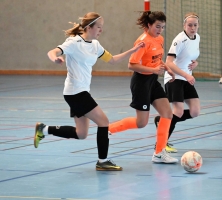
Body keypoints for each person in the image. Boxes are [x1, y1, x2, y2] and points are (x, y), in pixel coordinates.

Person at [34, 12, 145, 171]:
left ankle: (43, 129)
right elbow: (53, 52)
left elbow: (112, 60)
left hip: (81, 91)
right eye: (98, 27)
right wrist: (55, 59)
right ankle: (103, 161)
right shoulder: (74, 42)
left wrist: (133, 50)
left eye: (102, 27)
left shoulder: (95, 45)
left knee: (81, 133)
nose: (101, 30)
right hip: (75, 92)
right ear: (89, 27)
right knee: (104, 122)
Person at [108, 11, 178, 164]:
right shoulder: (143, 41)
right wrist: (153, 70)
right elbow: (131, 65)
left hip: (153, 81)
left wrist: (167, 68)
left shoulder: (159, 39)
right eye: (157, 26)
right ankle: (108, 129)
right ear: (149, 25)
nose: (159, 30)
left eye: (162, 27)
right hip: (141, 83)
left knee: (167, 114)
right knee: (142, 123)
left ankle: (159, 153)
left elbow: (156, 60)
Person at [154, 12, 201, 153]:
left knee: (195, 112)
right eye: (190, 25)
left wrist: (195, 63)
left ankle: (162, 121)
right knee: (178, 111)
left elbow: (191, 57)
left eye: (195, 25)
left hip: (186, 78)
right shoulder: (179, 40)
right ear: (184, 26)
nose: (192, 28)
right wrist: (186, 75)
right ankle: (161, 143)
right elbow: (169, 62)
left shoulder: (197, 37)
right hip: (174, 78)